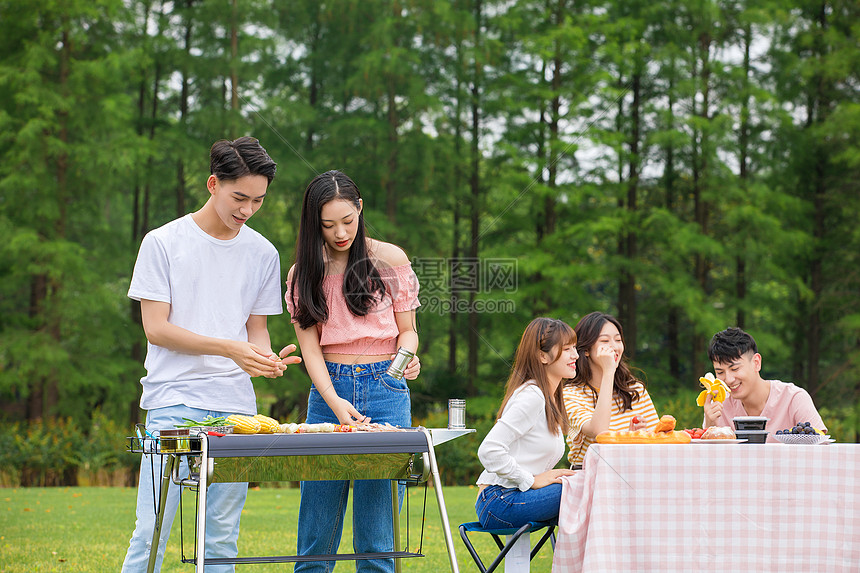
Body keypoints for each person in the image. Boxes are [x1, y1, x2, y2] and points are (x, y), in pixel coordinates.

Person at [122, 136, 302, 572]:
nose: (247, 210)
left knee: (221, 536)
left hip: (236, 411)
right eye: (239, 197)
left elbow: (256, 332)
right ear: (212, 184)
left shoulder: (263, 253)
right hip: (172, 403)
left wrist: (265, 359)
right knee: (153, 528)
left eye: (258, 200)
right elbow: (156, 329)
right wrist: (229, 348)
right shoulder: (163, 242)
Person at [285, 170, 421, 573]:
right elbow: (310, 350)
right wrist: (334, 401)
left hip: (386, 389)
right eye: (328, 225)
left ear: (360, 209)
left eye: (347, 220)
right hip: (329, 390)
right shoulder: (302, 273)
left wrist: (405, 362)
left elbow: (409, 332)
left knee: (378, 537)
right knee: (316, 533)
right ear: (314, 224)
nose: (340, 232)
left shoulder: (390, 259)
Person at [474, 318, 577, 571]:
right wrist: (531, 479)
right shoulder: (532, 396)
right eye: (566, 349)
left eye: (575, 347)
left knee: (586, 490)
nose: (575, 354)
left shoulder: (550, 398)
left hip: (516, 496)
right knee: (585, 490)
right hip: (498, 501)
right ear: (542, 356)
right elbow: (489, 450)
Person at [562, 312, 658, 468]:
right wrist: (609, 372)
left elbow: (660, 440)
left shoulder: (635, 389)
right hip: (589, 478)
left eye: (618, 340)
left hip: (633, 473)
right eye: (605, 340)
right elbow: (599, 431)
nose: (614, 346)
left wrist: (635, 437)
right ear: (586, 350)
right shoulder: (571, 394)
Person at [703, 327, 827, 439]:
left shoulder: (794, 398)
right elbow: (708, 459)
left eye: (735, 369)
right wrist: (710, 424)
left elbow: (819, 449)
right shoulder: (719, 405)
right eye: (720, 372)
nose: (728, 379)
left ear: (756, 363)